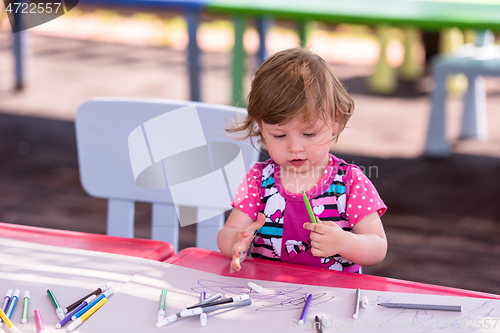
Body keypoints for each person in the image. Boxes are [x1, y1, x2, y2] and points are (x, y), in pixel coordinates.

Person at [217, 48, 387, 274]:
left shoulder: (350, 182)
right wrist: (236, 241)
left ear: (335, 120)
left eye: (309, 134)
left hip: (333, 299)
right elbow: (226, 234)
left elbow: (377, 247)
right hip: (266, 295)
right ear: (261, 127)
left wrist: (343, 242)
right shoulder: (259, 180)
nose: (294, 147)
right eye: (280, 135)